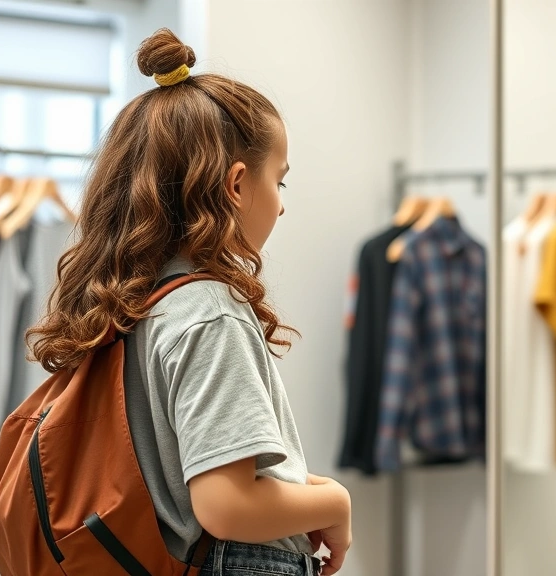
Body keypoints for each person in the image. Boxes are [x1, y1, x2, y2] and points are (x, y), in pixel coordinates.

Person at [26, 28, 352, 576]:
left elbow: (185, 477)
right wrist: (336, 502)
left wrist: (301, 487)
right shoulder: (210, 312)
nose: (281, 206)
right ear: (237, 185)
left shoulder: (135, 304)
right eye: (281, 182)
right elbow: (226, 506)